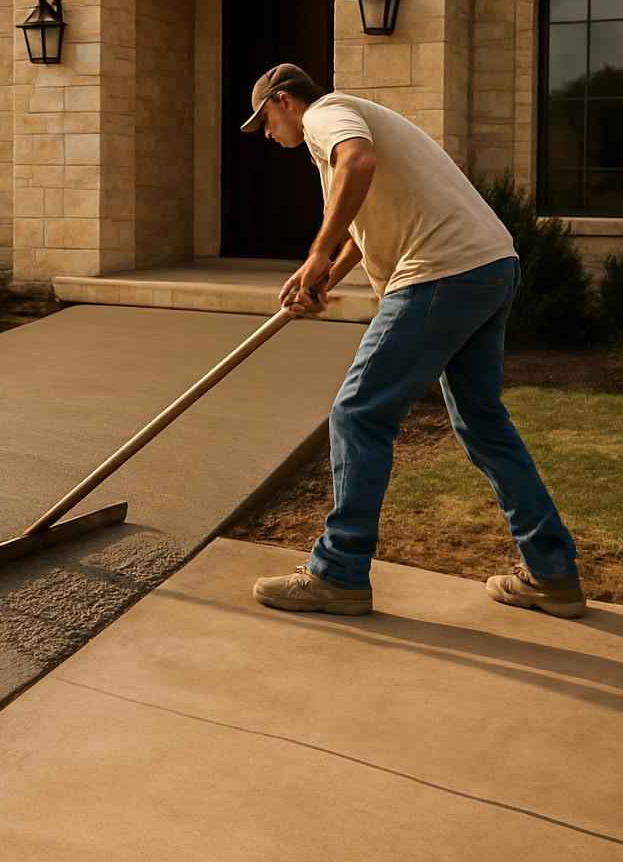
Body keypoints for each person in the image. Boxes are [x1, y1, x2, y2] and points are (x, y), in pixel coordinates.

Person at [240, 63, 585, 619]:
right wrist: (331, 273)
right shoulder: (351, 120)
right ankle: (552, 572)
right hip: (490, 265)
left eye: (265, 122)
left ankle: (339, 572)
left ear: (284, 101)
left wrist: (316, 254)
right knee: (483, 423)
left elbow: (358, 162)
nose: (267, 135)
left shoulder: (325, 115)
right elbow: (365, 221)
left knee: (358, 413)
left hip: (440, 271)